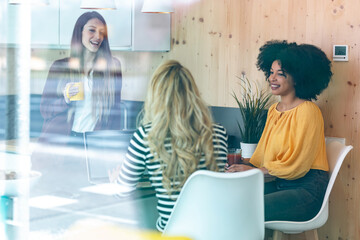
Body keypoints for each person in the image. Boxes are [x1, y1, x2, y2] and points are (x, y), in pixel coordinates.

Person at [109, 60, 228, 232]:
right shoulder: (218, 134)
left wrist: (116, 180)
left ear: (156, 96)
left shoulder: (145, 136)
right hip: (214, 233)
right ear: (192, 94)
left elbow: (122, 192)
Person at [226, 40, 333, 222]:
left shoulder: (308, 111)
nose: (272, 78)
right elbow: (264, 155)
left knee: (244, 209)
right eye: (271, 72)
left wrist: (253, 171)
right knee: (229, 200)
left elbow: (297, 165)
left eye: (280, 74)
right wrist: (241, 166)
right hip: (281, 184)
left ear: (298, 77)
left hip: (306, 189)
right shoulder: (274, 110)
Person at [39, 11, 122, 145]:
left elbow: (115, 115)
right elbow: (45, 110)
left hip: (93, 143)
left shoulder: (111, 68)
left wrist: (114, 147)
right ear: (80, 32)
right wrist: (65, 99)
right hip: (63, 145)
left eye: (102, 32)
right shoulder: (61, 66)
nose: (98, 36)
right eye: (92, 30)